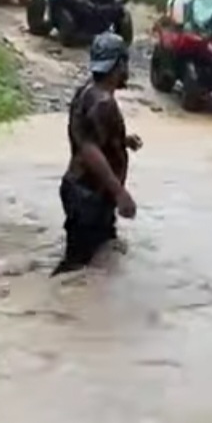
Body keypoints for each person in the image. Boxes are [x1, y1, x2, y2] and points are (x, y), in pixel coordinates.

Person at [52, 32, 143, 276]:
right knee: (77, 269)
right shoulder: (104, 103)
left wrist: (122, 141)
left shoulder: (88, 92)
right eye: (125, 64)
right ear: (119, 65)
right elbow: (90, 150)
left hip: (87, 193)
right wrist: (120, 192)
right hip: (88, 195)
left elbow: (88, 136)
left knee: (97, 263)